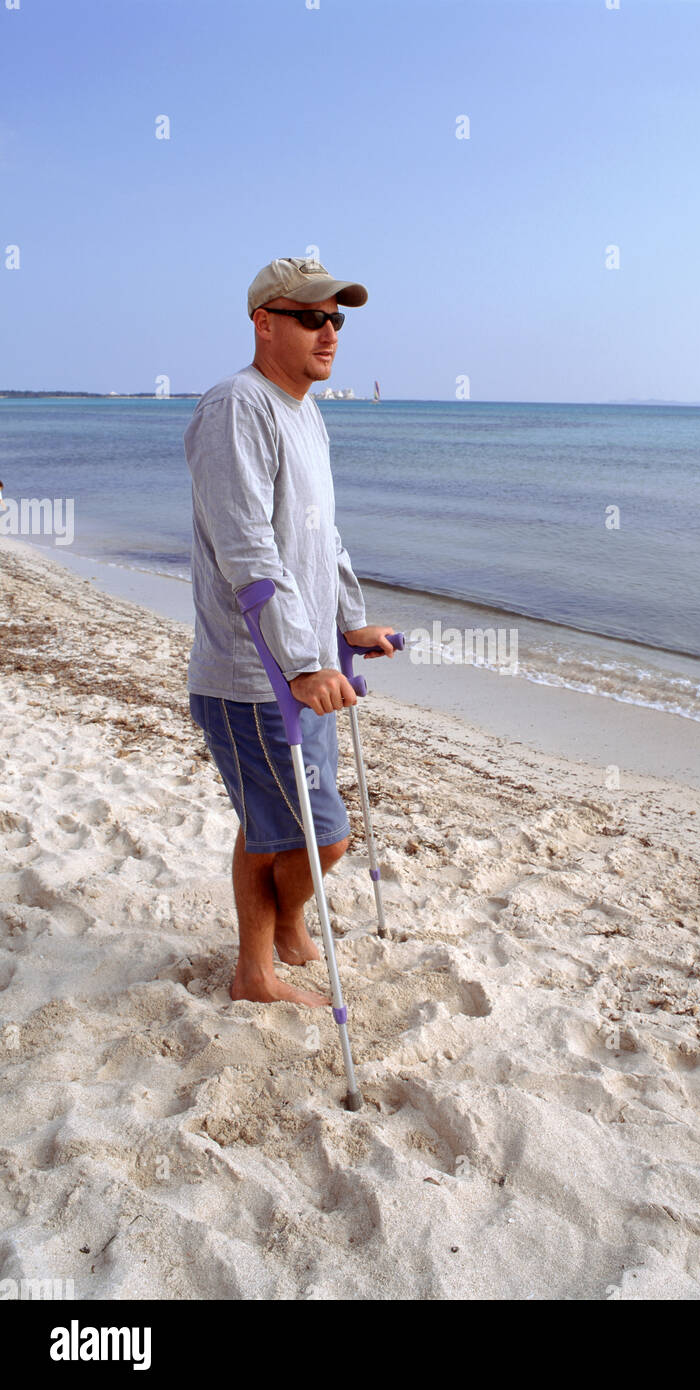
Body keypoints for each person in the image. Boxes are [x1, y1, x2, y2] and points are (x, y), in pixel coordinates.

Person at [185, 256, 395, 1008]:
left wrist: (351, 621)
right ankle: (255, 972)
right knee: (313, 834)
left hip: (305, 668)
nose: (330, 331)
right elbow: (249, 551)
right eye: (312, 317)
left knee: (278, 821)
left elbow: (322, 539)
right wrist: (304, 663)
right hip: (254, 678)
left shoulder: (306, 412)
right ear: (263, 322)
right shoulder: (237, 407)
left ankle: (281, 934)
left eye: (337, 318)